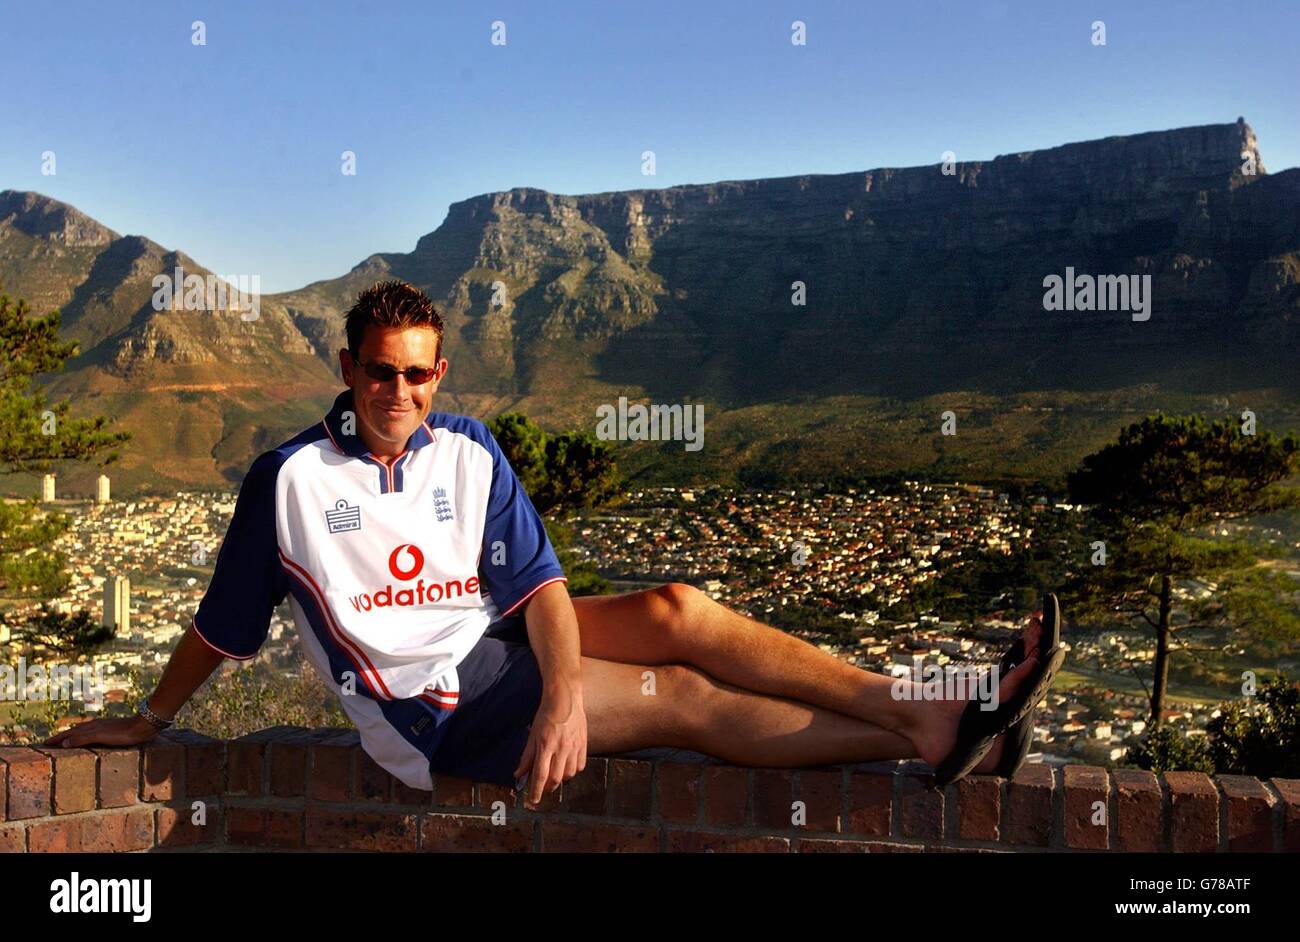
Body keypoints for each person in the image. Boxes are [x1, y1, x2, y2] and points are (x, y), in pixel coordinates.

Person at [46, 280, 1061, 810]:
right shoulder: (290, 481)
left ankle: (933, 707)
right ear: (345, 366)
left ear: (439, 372)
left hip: (503, 649)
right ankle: (931, 726)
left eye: (417, 375)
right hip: (431, 712)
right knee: (686, 702)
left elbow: (539, 592)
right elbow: (222, 630)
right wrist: (146, 720)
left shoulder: (472, 449)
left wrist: (564, 694)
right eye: (376, 373)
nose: (396, 394)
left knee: (678, 612)